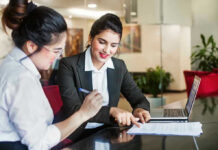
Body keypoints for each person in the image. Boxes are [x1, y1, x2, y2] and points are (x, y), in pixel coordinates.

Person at [0, 0, 103, 150]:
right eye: (55, 51)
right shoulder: (21, 79)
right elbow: (39, 142)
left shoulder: (10, 65)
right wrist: (83, 114)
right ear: (32, 46)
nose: (58, 57)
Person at [58, 13, 151, 132]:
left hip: (108, 131)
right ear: (90, 38)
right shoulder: (68, 65)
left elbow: (139, 99)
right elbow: (73, 109)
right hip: (77, 132)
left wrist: (140, 109)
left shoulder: (119, 66)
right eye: (102, 42)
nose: (107, 50)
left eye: (113, 45)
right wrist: (111, 111)